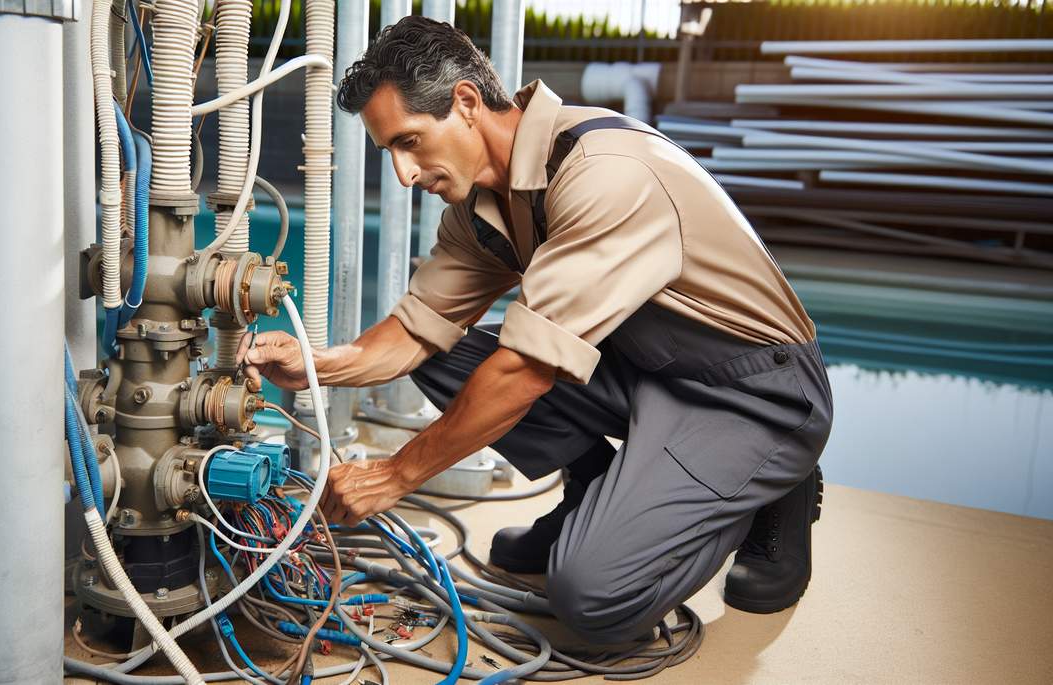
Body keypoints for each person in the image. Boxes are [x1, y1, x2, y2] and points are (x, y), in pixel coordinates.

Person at [235, 16, 833, 643]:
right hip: (645, 368)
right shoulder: (482, 203)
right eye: (391, 153)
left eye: (410, 142)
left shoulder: (605, 173)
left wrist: (395, 474)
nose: (405, 175)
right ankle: (596, 492)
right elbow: (417, 331)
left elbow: (524, 372)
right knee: (443, 356)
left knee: (591, 597)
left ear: (466, 103)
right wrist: (316, 365)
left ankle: (769, 482)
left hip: (751, 392)